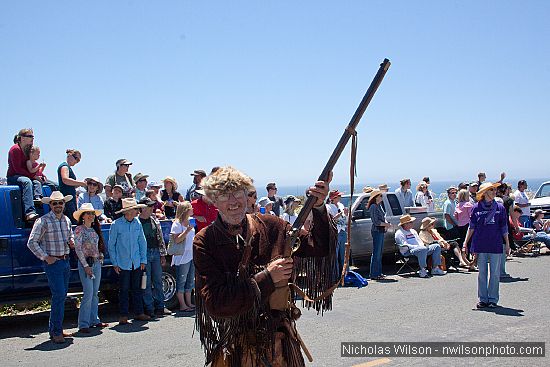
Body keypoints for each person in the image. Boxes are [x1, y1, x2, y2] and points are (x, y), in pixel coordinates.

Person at [194, 166, 336, 366]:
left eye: (237, 193)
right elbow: (217, 303)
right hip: (237, 345)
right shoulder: (204, 241)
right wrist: (268, 277)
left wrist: (319, 207)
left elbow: (319, 247)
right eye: (224, 195)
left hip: (280, 341)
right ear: (213, 200)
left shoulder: (272, 225)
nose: (233, 201)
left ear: (247, 195)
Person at [26, 191, 74, 343]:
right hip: (53, 264)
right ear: (50, 205)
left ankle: (56, 329)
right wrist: (46, 257)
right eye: (55, 203)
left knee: (61, 296)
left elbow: (70, 235)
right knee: (59, 295)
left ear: (64, 204)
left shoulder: (66, 220)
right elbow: (32, 242)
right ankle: (56, 331)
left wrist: (71, 241)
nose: (58, 205)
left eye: (60, 202)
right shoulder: (43, 221)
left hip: (65, 261)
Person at [464, 182, 510, 308]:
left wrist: (507, 243)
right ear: (484, 193)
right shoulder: (476, 208)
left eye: (494, 190)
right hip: (480, 244)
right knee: (482, 273)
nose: (494, 192)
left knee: (495, 273)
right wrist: (465, 242)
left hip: (495, 244)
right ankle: (483, 299)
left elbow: (504, 227)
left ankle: (493, 299)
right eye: (491, 190)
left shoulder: (500, 208)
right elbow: (471, 227)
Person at [107, 198, 150, 324]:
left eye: (134, 210)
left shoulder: (137, 223)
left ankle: (139, 312)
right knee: (124, 289)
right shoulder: (116, 224)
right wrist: (114, 263)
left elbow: (142, 242)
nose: (132, 213)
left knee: (137, 288)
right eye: (130, 211)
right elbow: (112, 245)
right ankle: (123, 314)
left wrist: (143, 259)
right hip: (122, 262)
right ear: (125, 212)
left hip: (136, 261)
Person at [73, 203, 108, 333]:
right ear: (82, 216)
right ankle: (83, 323)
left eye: (92, 213)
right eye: (88, 213)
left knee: (94, 293)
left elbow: (97, 247)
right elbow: (78, 249)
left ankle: (94, 319)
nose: (91, 216)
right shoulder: (79, 230)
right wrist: (86, 266)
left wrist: (100, 256)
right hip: (85, 264)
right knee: (88, 292)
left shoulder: (94, 230)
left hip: (96, 262)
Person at [137, 197, 171, 317]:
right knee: (146, 281)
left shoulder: (154, 220)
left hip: (155, 251)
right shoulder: (137, 222)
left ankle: (160, 306)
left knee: (157, 280)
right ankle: (149, 307)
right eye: (149, 206)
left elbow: (160, 238)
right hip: (144, 253)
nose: (152, 208)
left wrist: (162, 254)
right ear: (142, 208)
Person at [7, 128, 41, 221]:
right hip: (13, 176)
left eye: (32, 136)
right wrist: (33, 176)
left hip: (26, 175)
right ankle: (29, 212)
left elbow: (31, 166)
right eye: (30, 136)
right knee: (27, 182)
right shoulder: (15, 149)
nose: (32, 138)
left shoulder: (28, 150)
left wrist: (39, 175)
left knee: (51, 184)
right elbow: (17, 169)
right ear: (22, 138)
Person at [170, 202, 196, 312]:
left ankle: (188, 302)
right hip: (182, 256)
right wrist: (187, 231)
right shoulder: (177, 224)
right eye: (190, 208)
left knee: (190, 280)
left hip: (191, 254)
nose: (192, 209)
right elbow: (177, 239)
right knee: (181, 280)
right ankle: (182, 304)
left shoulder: (190, 221)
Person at [57, 149, 86, 224]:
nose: (77, 162)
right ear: (70, 156)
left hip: (70, 198)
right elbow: (65, 179)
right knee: (73, 221)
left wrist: (77, 184)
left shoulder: (67, 167)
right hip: (67, 199)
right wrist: (81, 183)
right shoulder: (65, 166)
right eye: (77, 159)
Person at [367, 189, 391, 280]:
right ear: (376, 197)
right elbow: (376, 221)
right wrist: (386, 224)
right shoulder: (373, 207)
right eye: (380, 195)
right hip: (376, 230)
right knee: (376, 253)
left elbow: (383, 217)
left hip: (381, 230)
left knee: (379, 252)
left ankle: (379, 272)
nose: (382, 197)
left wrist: (386, 224)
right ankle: (374, 274)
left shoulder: (379, 205)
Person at [327, 190, 349, 276]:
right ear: (333, 198)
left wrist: (346, 214)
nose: (340, 197)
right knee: (335, 255)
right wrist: (339, 214)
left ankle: (345, 274)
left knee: (344, 254)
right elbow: (331, 219)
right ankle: (334, 276)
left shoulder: (341, 205)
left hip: (342, 230)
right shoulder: (328, 207)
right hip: (335, 232)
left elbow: (345, 218)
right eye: (338, 196)